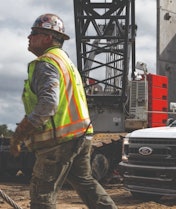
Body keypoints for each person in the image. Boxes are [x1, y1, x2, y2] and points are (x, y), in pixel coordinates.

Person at [10, 13, 118, 209]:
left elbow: (47, 105)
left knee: (42, 193)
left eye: (34, 33)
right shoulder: (65, 62)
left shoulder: (46, 63)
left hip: (59, 140)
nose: (29, 37)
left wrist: (19, 134)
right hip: (80, 135)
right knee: (84, 182)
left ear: (49, 38)